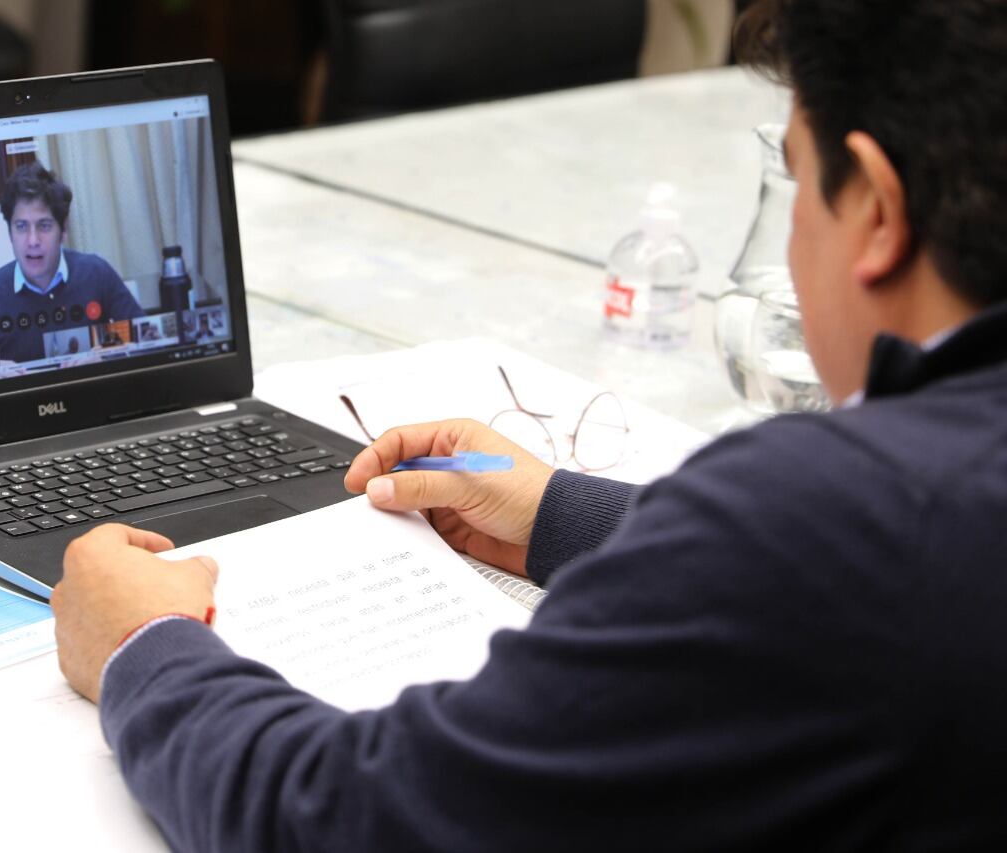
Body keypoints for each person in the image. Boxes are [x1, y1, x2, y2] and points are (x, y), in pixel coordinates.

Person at [51, 1, 1007, 848]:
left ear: (876, 212)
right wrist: (562, 512)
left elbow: (348, 816)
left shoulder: (839, 518)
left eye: (795, 185)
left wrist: (147, 645)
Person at [0, 163, 144, 363]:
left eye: (44, 226)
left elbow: (145, 338)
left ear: (63, 230)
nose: (33, 241)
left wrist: (106, 355)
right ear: (10, 233)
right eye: (21, 227)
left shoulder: (96, 273)